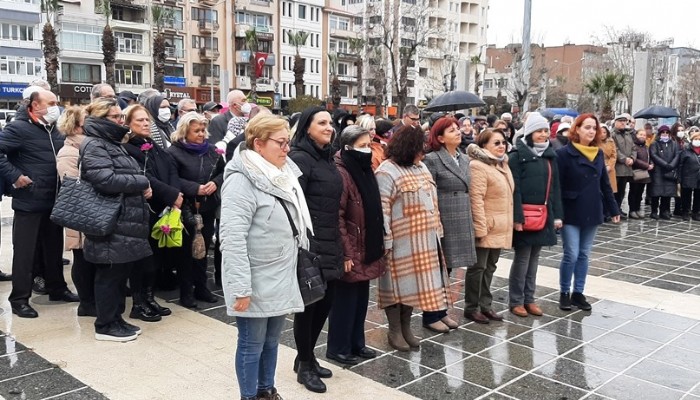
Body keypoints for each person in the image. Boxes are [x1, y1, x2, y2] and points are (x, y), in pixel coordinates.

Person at [220, 114, 306, 400]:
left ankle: (266, 390)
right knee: (251, 343)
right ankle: (249, 396)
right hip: (255, 277)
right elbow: (232, 239)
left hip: (280, 272)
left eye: (288, 143)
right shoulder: (241, 180)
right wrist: (241, 287)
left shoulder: (281, 173)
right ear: (258, 144)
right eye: (281, 143)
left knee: (271, 341)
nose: (287, 149)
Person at [0, 88, 79, 318]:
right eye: (51, 102)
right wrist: (15, 176)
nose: (56, 107)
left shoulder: (56, 130)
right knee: (25, 252)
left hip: (54, 199)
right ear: (34, 106)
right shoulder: (19, 129)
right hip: (29, 200)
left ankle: (57, 288)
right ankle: (19, 299)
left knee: (53, 248)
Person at [80, 98, 153, 341]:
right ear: (100, 119)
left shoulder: (112, 142)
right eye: (114, 117)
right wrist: (141, 182)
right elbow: (105, 180)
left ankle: (115, 318)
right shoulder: (95, 145)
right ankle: (105, 324)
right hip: (111, 221)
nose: (120, 121)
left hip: (124, 219)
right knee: (109, 274)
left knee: (119, 273)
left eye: (121, 116)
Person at [376, 125, 451, 349]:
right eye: (420, 148)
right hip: (400, 241)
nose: (423, 153)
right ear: (408, 148)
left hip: (425, 240)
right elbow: (382, 210)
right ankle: (395, 331)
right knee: (396, 288)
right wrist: (386, 241)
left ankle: (406, 327)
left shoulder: (421, 168)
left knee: (414, 287)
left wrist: (438, 229)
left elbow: (433, 201)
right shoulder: (386, 171)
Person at [288, 107, 343, 394]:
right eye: (321, 122)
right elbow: (295, 206)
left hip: (331, 239)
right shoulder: (299, 158)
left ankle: (305, 356)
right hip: (310, 244)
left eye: (330, 123)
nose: (329, 127)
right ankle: (305, 364)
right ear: (306, 127)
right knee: (308, 307)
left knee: (325, 301)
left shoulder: (327, 158)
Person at [326, 125, 385, 365]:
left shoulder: (363, 168)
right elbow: (337, 216)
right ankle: (338, 347)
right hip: (351, 246)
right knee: (345, 302)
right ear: (347, 147)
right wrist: (345, 253)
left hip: (366, 244)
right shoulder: (341, 172)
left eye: (369, 145)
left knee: (360, 301)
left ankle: (357, 343)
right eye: (362, 146)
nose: (367, 150)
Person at [556, 114, 620, 312]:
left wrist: (613, 208)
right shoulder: (564, 154)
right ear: (577, 129)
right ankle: (564, 293)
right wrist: (557, 214)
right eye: (587, 127)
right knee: (571, 254)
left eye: (594, 128)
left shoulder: (598, 153)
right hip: (571, 209)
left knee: (584, 254)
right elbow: (556, 187)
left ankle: (578, 293)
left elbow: (605, 184)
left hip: (592, 208)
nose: (591, 131)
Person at [123, 104, 181, 320]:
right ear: (128, 124)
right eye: (139, 120)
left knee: (155, 260)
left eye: (147, 120)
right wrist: (171, 194)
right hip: (143, 209)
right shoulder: (129, 148)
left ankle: (149, 298)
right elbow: (144, 176)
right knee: (142, 261)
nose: (145, 123)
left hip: (162, 208)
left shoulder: (153, 145)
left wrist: (175, 193)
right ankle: (138, 303)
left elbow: (171, 167)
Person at [168, 112, 225, 308]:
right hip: (186, 207)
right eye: (197, 131)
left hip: (207, 206)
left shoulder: (211, 151)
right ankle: (186, 292)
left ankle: (201, 287)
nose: (201, 134)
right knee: (185, 252)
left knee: (202, 248)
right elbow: (172, 178)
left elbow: (222, 172)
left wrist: (214, 183)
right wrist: (195, 188)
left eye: (203, 130)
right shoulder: (174, 152)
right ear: (185, 131)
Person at [423, 116, 476, 329]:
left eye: (457, 129)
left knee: (450, 267)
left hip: (461, 214)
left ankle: (442, 310)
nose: (458, 132)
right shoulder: (433, 159)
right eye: (452, 130)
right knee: (438, 267)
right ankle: (431, 315)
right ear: (440, 137)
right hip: (443, 216)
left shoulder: (463, 158)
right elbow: (429, 191)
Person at [508, 113, 563, 318]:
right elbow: (516, 189)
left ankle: (529, 298)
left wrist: (557, 215)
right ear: (529, 133)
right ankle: (516, 300)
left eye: (545, 131)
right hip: (525, 215)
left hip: (543, 214)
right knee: (522, 259)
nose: (543, 134)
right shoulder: (517, 155)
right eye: (538, 131)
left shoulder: (549, 156)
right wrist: (517, 217)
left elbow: (555, 187)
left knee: (534, 259)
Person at [464, 129, 514, 324]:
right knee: (478, 268)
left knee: (490, 267)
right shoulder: (478, 166)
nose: (502, 146)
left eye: (503, 142)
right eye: (496, 143)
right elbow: (476, 199)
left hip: (500, 225)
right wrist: (480, 227)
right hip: (486, 226)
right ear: (484, 145)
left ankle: (486, 305)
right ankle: (471, 307)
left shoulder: (502, 164)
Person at [56, 106, 96, 317]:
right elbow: (72, 184)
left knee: (91, 259)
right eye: (87, 120)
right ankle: (86, 303)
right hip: (80, 213)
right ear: (77, 126)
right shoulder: (69, 151)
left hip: (91, 212)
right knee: (81, 258)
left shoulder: (89, 147)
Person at [649, 125, 680, 220]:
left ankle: (664, 211)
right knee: (656, 192)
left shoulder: (674, 144)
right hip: (658, 171)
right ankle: (654, 211)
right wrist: (665, 164)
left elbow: (677, 155)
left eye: (667, 132)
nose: (665, 134)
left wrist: (671, 165)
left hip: (670, 171)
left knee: (667, 193)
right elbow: (654, 155)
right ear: (659, 133)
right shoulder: (655, 144)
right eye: (663, 132)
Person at [612, 113, 635, 216]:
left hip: (627, 167)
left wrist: (632, 158)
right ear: (615, 122)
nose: (622, 123)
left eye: (624, 121)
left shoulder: (628, 134)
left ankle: (618, 208)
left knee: (622, 190)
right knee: (615, 190)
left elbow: (633, 148)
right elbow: (614, 149)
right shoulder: (612, 134)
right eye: (620, 121)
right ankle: (613, 210)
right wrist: (624, 159)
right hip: (617, 167)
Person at [628, 129, 653, 219]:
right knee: (633, 192)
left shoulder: (646, 147)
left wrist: (651, 164)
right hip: (636, 172)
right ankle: (632, 210)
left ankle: (637, 208)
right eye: (640, 134)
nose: (642, 136)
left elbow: (649, 156)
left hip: (644, 173)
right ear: (636, 135)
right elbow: (635, 159)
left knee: (640, 192)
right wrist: (646, 165)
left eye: (644, 135)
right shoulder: (633, 145)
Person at [679, 130, 700, 221]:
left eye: (699, 139)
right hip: (688, 176)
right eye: (695, 139)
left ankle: (696, 212)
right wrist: (679, 178)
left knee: (698, 196)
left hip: (699, 177)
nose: (697, 140)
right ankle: (685, 212)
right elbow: (680, 164)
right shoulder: (686, 150)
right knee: (686, 195)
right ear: (692, 140)